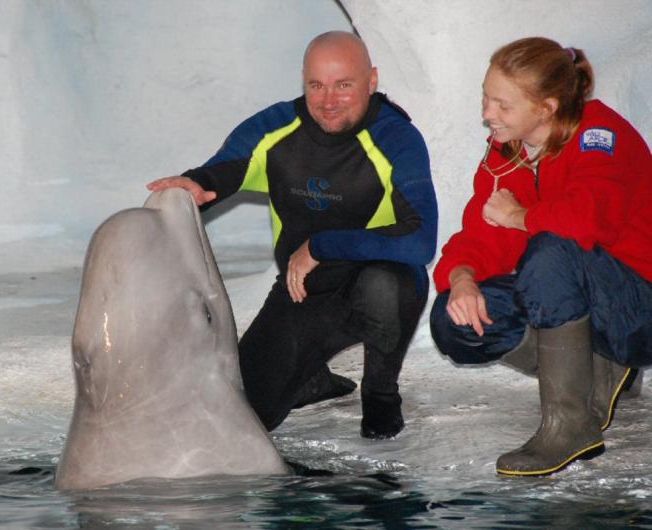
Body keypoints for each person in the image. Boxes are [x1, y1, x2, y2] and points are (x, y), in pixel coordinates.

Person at [148, 31, 437, 439]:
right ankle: (311, 379)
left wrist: (322, 245)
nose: (328, 100)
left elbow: (420, 241)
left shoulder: (396, 139)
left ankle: (380, 392)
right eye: (316, 86)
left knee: (391, 284)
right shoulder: (277, 127)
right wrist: (194, 186)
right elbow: (221, 172)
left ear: (371, 81)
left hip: (373, 285)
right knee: (239, 417)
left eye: (344, 85)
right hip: (303, 292)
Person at [430, 37, 652, 476]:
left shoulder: (599, 136)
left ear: (546, 108)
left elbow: (589, 221)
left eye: (502, 105)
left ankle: (569, 426)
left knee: (551, 252)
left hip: (638, 308)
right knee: (456, 321)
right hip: (577, 299)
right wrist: (461, 277)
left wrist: (520, 216)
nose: (487, 114)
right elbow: (482, 233)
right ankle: (595, 369)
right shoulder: (508, 152)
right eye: (486, 97)